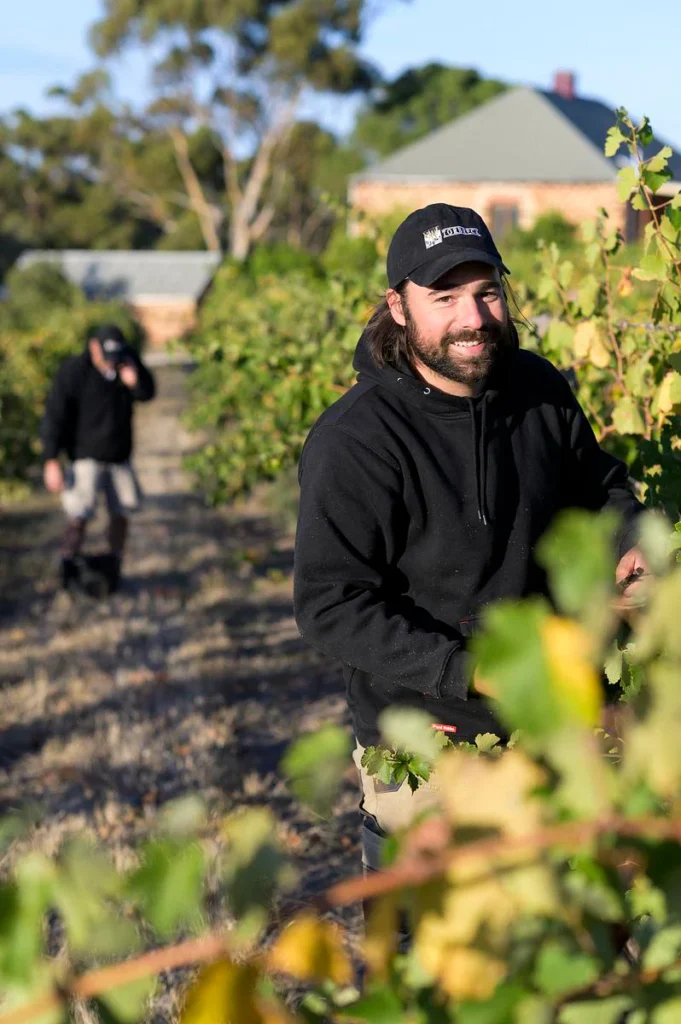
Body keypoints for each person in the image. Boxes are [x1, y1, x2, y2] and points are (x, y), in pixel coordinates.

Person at [293, 204, 647, 871]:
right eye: (444, 297)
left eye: (486, 292)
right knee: (450, 957)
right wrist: (467, 669)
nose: (473, 318)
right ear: (398, 306)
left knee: (589, 944)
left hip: (561, 718)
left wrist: (629, 543)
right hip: (431, 741)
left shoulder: (538, 389)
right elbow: (331, 606)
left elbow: (598, 492)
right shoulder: (356, 441)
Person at [41, 323, 155, 589]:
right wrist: (51, 459)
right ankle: (68, 567)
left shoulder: (126, 362)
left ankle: (114, 565)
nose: (111, 364)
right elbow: (55, 416)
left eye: (116, 358)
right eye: (107, 358)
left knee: (122, 511)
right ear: (93, 347)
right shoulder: (73, 371)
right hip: (84, 456)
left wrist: (134, 381)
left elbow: (148, 393)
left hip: (119, 456)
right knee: (79, 513)